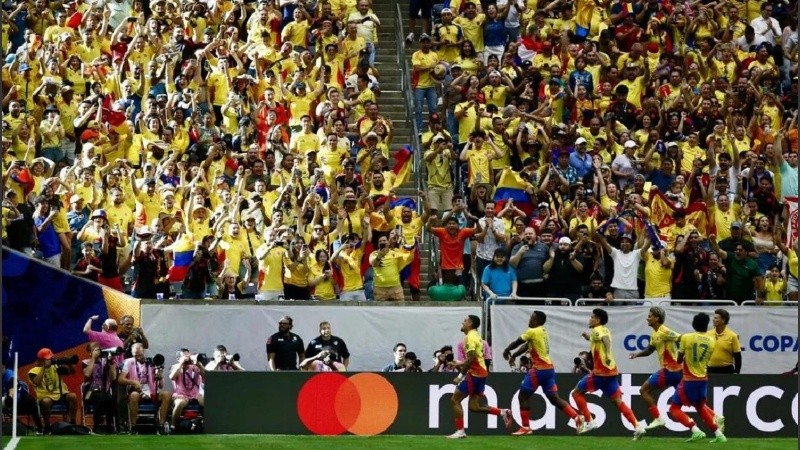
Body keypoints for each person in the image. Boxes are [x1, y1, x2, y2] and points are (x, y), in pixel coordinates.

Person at [570, 309, 647, 439]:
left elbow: (605, 341)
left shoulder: (597, 330)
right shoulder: (604, 330)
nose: (590, 319)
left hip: (600, 373)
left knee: (576, 393)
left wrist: (606, 354)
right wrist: (587, 336)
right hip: (611, 372)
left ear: (598, 320)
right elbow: (597, 339)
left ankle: (589, 421)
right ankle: (638, 426)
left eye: (592, 317)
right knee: (618, 401)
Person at [502, 311, 581, 436]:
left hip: (539, 370)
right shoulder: (542, 331)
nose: (529, 320)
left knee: (523, 396)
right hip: (549, 369)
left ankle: (526, 427)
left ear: (537, 321)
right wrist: (515, 356)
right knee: (554, 399)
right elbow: (527, 347)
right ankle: (577, 418)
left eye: (532, 318)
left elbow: (519, 342)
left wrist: (507, 350)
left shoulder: (532, 331)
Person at [446, 315, 512, 439]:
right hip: (481, 373)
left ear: (470, 323)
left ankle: (460, 432)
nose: (462, 322)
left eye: (465, 321)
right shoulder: (476, 336)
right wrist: (459, 363)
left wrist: (460, 376)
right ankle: (503, 412)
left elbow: (471, 359)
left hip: (474, 374)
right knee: (474, 407)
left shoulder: (470, 337)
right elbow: (475, 358)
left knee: (454, 400)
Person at [667, 313, 727, 443]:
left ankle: (695, 430)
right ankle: (719, 435)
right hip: (703, 379)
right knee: (700, 407)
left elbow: (678, 359)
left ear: (694, 324)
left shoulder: (687, 338)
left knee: (674, 408)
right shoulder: (712, 341)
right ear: (707, 325)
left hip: (689, 379)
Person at [627, 307, 682, 430]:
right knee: (690, 399)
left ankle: (658, 418)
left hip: (670, 370)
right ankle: (710, 421)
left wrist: (683, 355)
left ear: (657, 318)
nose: (648, 318)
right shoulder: (655, 333)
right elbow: (650, 350)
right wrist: (637, 354)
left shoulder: (664, 331)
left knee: (644, 390)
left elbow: (682, 338)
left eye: (650, 316)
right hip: (676, 371)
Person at [117, 343, 171, 434]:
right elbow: (120, 379)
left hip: (151, 391)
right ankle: (133, 426)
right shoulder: (129, 362)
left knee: (167, 395)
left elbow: (161, 385)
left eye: (140, 355)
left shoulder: (151, 362)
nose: (138, 357)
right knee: (134, 395)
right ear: (132, 353)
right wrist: (133, 382)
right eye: (135, 355)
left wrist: (160, 375)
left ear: (143, 352)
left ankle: (161, 425)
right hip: (136, 391)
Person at [27, 348, 78, 434]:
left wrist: (69, 363)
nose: (50, 360)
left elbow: (72, 372)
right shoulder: (33, 371)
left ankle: (72, 423)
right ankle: (47, 426)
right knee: (46, 402)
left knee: (73, 396)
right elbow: (36, 382)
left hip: (60, 393)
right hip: (45, 395)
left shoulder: (56, 366)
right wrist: (44, 368)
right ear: (41, 360)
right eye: (47, 359)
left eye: (50, 358)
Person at [82, 342, 118, 433]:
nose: (98, 351)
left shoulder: (105, 362)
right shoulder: (86, 362)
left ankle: (110, 426)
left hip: (103, 391)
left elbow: (113, 378)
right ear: (90, 353)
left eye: (98, 349)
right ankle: (96, 426)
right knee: (100, 397)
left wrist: (112, 363)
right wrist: (93, 358)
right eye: (94, 349)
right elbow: (87, 374)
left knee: (110, 398)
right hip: (89, 392)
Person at [169, 349, 205, 431]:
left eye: (188, 355)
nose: (187, 358)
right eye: (184, 356)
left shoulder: (195, 367)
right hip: (180, 394)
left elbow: (206, 377)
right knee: (179, 403)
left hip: (195, 394)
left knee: (208, 402)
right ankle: (174, 425)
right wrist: (181, 363)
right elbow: (172, 377)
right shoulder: (175, 367)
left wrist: (199, 364)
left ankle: (206, 424)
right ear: (178, 358)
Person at [707, 309, 742, 374]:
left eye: (716, 318)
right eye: (713, 318)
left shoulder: (732, 336)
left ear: (723, 320)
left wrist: (737, 372)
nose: (713, 320)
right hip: (710, 370)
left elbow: (737, 356)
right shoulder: (708, 334)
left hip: (726, 370)